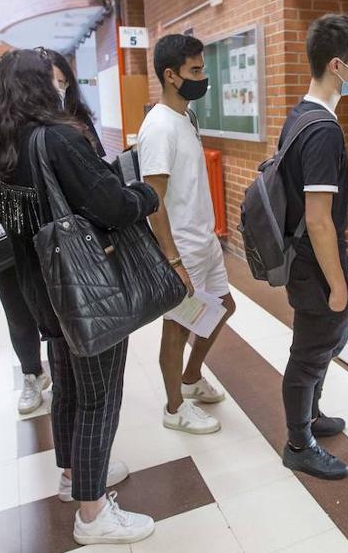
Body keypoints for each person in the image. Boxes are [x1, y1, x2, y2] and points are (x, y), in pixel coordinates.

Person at [0, 49, 158, 545]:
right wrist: (144, 194)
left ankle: (72, 476)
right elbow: (114, 205)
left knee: (69, 389)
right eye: (53, 82)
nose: (62, 88)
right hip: (85, 292)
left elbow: (19, 228)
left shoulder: (5, 149)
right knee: (100, 397)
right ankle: (93, 513)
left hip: (43, 291)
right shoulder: (57, 138)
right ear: (41, 88)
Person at [0, 49, 103, 415]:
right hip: (9, 225)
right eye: (51, 81)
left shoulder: (72, 122)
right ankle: (32, 374)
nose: (57, 88)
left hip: (60, 232)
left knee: (60, 309)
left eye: (63, 82)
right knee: (18, 305)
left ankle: (65, 377)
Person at [278, 13, 348, 480]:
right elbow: (318, 220)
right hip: (315, 264)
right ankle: (299, 441)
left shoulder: (301, 116)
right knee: (310, 350)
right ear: (337, 65)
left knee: (326, 340)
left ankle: (311, 417)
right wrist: (337, 284)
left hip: (306, 260)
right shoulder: (322, 130)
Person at [138, 34, 236, 435]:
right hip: (182, 248)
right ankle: (174, 407)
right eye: (194, 70)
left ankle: (192, 378)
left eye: (202, 69)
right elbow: (153, 201)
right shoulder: (159, 127)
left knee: (224, 307)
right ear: (170, 75)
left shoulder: (185, 118)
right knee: (177, 326)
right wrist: (173, 259)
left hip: (204, 241)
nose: (202, 77)